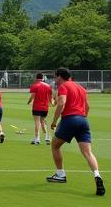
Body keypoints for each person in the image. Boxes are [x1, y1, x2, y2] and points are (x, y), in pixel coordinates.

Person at [47, 67, 105, 195]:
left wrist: (54, 121)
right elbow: (87, 107)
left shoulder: (64, 86)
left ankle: (60, 174)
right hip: (83, 120)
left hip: (69, 119)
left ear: (59, 76)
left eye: (55, 77)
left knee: (55, 145)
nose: (54, 80)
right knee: (88, 153)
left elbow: (61, 103)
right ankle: (97, 175)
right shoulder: (81, 87)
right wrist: (82, 119)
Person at [27, 73, 53, 145]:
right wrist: (51, 103)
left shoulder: (34, 85)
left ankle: (37, 138)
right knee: (43, 121)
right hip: (45, 107)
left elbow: (33, 95)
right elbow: (50, 97)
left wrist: (29, 102)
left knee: (37, 122)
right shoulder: (48, 86)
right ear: (43, 78)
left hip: (36, 107)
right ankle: (47, 136)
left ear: (36, 78)